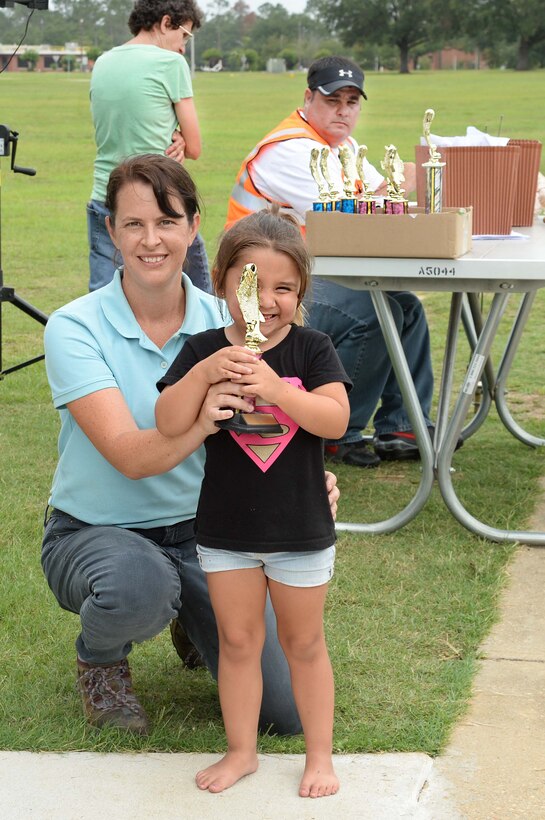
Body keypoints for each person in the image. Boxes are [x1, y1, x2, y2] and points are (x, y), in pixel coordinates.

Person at [42, 154, 339, 738]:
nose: (151, 240)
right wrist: (204, 414)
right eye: (133, 224)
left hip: (212, 535)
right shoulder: (74, 327)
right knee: (140, 583)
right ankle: (101, 663)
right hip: (98, 531)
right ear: (111, 230)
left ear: (194, 226)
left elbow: (286, 415)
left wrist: (307, 481)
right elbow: (130, 456)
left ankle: (189, 616)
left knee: (284, 712)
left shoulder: (229, 318)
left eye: (167, 222)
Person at [155, 209, 349, 797]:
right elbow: (166, 422)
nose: (265, 300)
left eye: (283, 288)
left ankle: (319, 757)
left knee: (304, 643)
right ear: (220, 283)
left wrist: (272, 390)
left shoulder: (312, 349)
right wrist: (207, 376)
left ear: (301, 293)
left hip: (301, 529)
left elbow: (335, 420)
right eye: (249, 284)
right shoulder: (204, 347)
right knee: (238, 643)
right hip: (225, 530)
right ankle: (242, 751)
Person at [226, 55, 435, 468]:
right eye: (332, 99)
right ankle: (340, 430)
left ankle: (403, 426)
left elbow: (383, 202)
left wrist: (406, 186)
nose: (343, 110)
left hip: (298, 282)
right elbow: (364, 209)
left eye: (352, 102)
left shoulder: (342, 146)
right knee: (373, 314)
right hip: (259, 296)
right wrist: (418, 176)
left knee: (406, 305)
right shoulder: (291, 149)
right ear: (308, 98)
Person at [87, 0, 211, 293]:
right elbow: (194, 147)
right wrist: (181, 137)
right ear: (166, 22)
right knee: (200, 296)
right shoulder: (171, 63)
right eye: (184, 36)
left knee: (104, 296)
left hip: (104, 195)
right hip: (158, 196)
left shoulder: (103, 62)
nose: (183, 47)